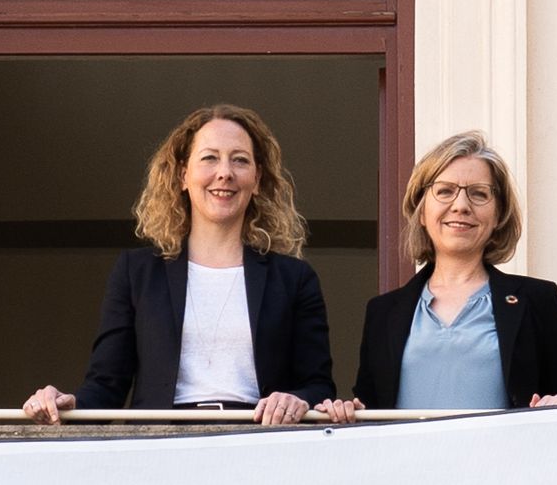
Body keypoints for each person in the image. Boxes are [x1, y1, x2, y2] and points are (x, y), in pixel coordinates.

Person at [19, 106, 335, 426]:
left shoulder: (294, 278)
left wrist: (296, 399)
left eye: (240, 160)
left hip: (259, 441)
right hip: (162, 444)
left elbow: (319, 386)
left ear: (257, 179)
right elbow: (106, 386)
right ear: (183, 175)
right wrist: (66, 405)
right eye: (209, 158)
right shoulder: (137, 272)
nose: (224, 172)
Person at [328, 131, 557, 417]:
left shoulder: (536, 300)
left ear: (498, 214)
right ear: (421, 210)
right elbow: (368, 412)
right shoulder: (383, 313)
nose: (461, 206)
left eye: (479, 193)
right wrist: (345, 411)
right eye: (445, 191)